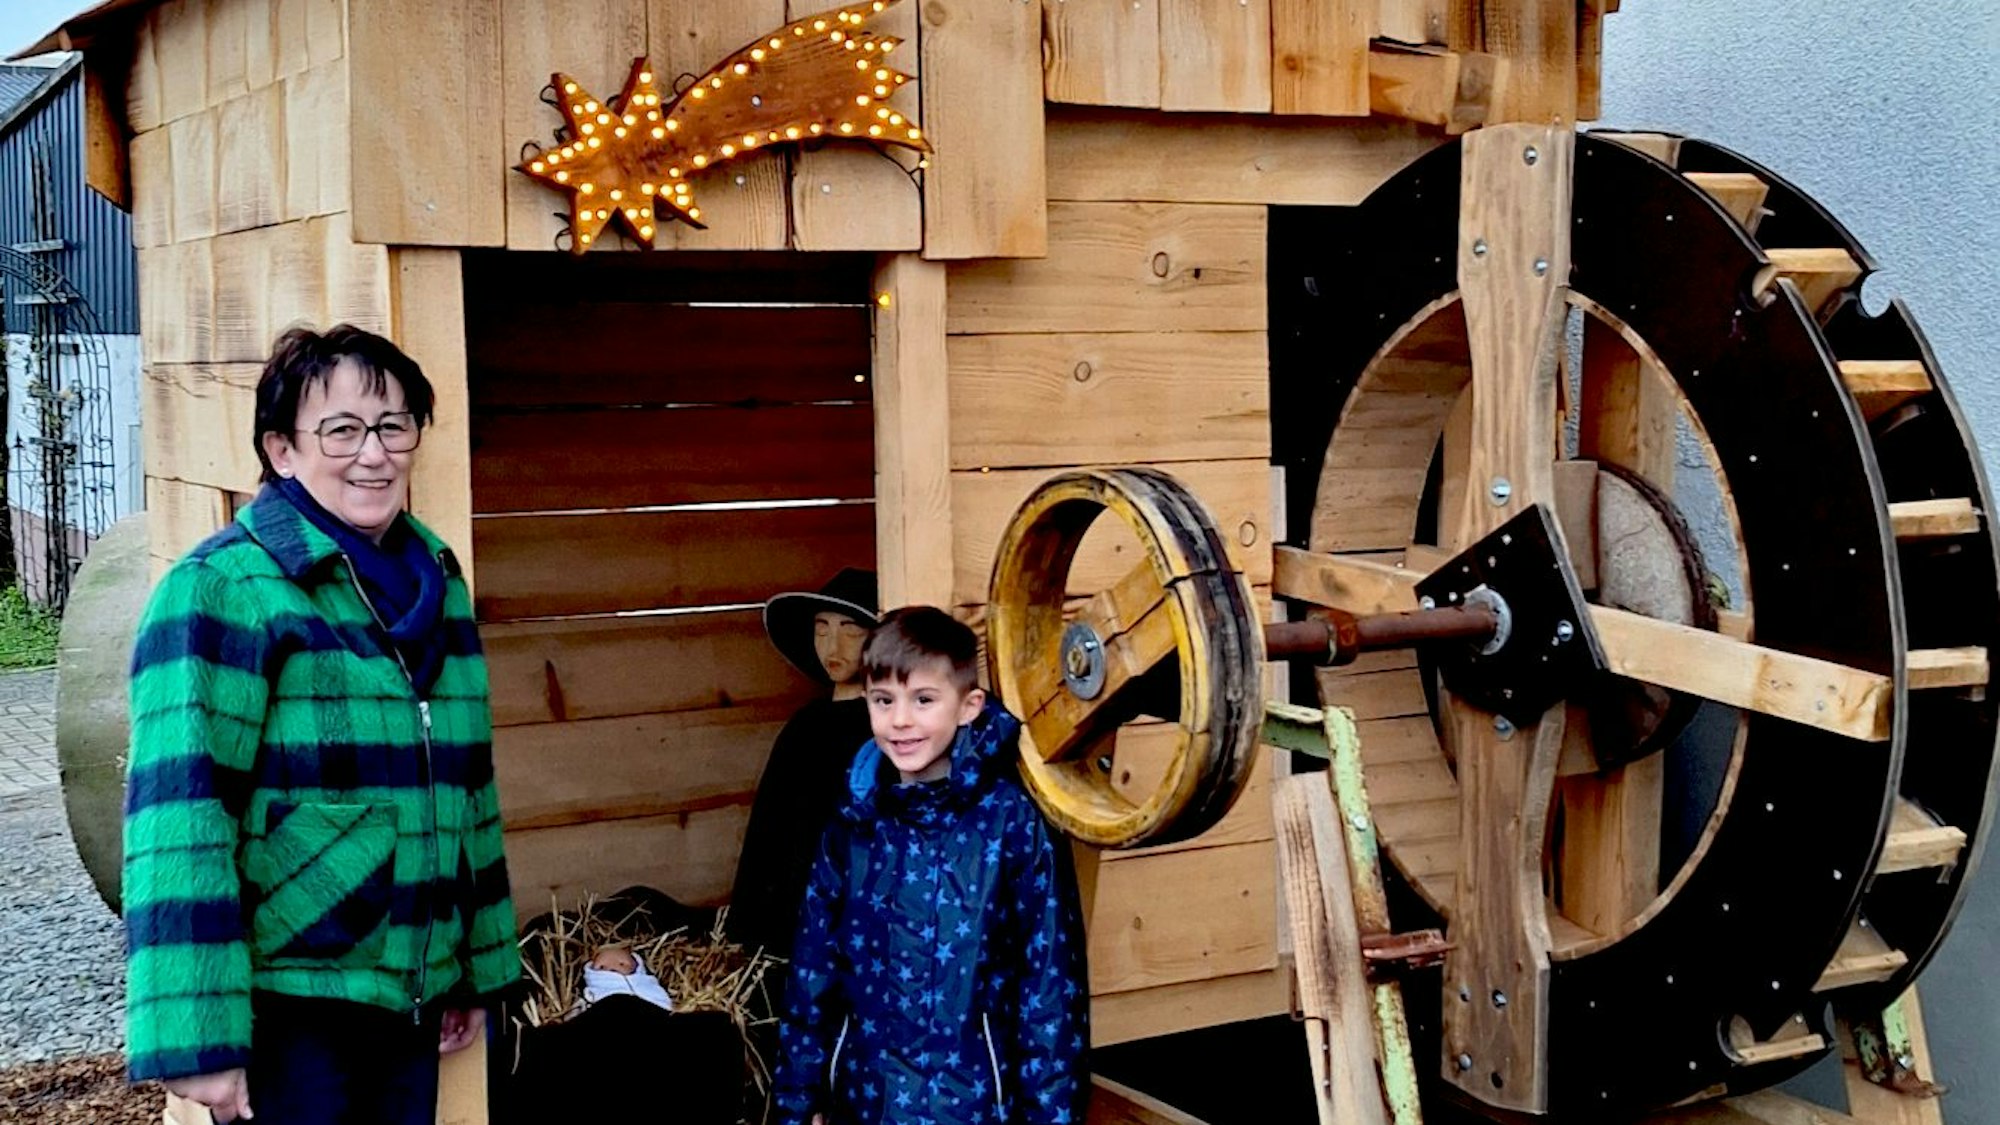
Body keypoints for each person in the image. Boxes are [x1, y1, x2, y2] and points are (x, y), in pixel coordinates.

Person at [122, 325, 518, 1123]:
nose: (373, 454)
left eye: (393, 425)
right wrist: (199, 1038)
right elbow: (180, 817)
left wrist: (476, 969)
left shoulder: (435, 577)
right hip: (291, 1012)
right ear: (281, 449)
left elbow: (468, 785)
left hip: (410, 995)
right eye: (341, 429)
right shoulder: (224, 588)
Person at [771, 607, 1089, 1125]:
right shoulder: (853, 824)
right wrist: (796, 1104)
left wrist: (1051, 1116)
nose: (900, 720)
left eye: (923, 700)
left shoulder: (1010, 823)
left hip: (977, 1106)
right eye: (883, 701)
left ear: (968, 706)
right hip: (867, 1102)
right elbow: (811, 975)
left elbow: (1049, 988)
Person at [727, 568, 880, 965]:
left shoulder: (887, 728)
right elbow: (768, 832)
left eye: (851, 629)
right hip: (785, 923)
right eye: (822, 628)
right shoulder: (805, 726)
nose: (833, 644)